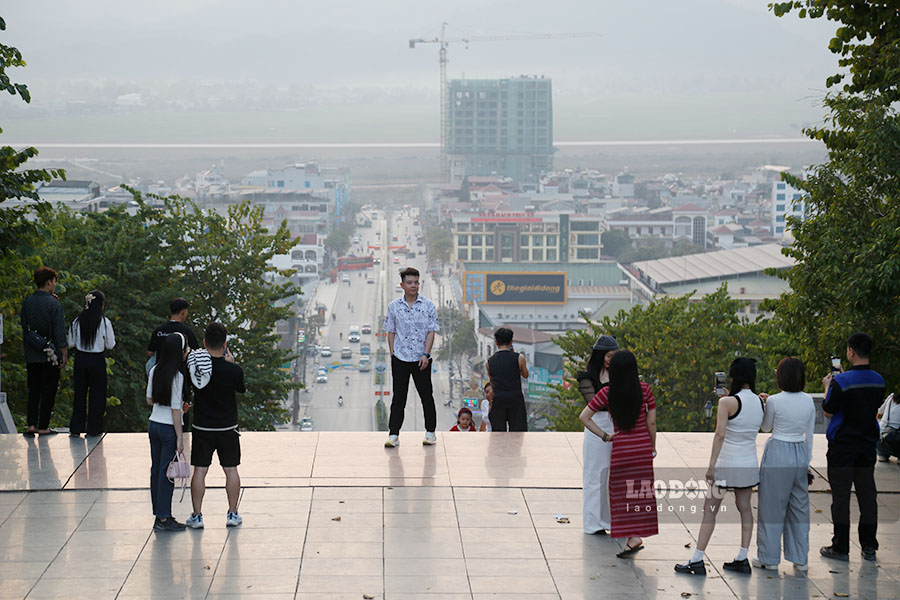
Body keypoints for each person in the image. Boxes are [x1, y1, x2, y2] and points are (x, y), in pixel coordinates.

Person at [674, 357, 762, 576]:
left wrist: (711, 466)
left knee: (709, 510)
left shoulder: (726, 403)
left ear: (734, 377)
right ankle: (742, 557)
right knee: (745, 509)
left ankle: (697, 559)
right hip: (749, 463)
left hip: (726, 463)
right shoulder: (760, 401)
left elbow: (720, 434)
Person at [579, 350, 657, 559]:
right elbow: (651, 422)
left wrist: (604, 436)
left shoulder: (607, 393)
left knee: (620, 494)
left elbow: (584, 417)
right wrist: (652, 447)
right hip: (642, 448)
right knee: (640, 493)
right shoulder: (646, 390)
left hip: (621, 448)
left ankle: (631, 536)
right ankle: (636, 534)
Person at [820, 332, 885, 562]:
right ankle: (869, 545)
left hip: (843, 446)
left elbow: (828, 409)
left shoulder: (842, 381)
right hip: (867, 444)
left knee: (841, 496)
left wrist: (828, 385)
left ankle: (840, 546)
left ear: (851, 352)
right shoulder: (879, 380)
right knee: (867, 495)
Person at [753, 357, 816, 572]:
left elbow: (766, 427)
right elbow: (810, 433)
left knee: (772, 506)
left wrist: (766, 403)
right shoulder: (808, 400)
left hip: (779, 451)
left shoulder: (774, 401)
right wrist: (807, 461)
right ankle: (800, 558)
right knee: (799, 508)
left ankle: (769, 558)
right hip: (800, 452)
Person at [186, 322, 246, 529]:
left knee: (200, 471)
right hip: (227, 427)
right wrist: (234, 363)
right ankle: (232, 513)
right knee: (231, 470)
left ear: (204, 343)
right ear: (225, 344)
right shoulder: (233, 370)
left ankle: (197, 515)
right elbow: (241, 388)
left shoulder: (197, 371)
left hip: (202, 427)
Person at [383, 267, 440, 448]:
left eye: (416, 282)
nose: (413, 285)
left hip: (421, 359)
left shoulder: (428, 306)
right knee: (399, 398)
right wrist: (392, 353)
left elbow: (431, 332)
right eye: (409, 282)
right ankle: (393, 434)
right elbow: (390, 331)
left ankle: (430, 432)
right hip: (400, 358)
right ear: (402, 285)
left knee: (426, 396)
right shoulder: (394, 307)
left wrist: (426, 354)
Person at [577, 335, 618, 536]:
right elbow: (595, 403)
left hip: (616, 423)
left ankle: (610, 520)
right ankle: (593, 523)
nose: (611, 360)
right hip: (596, 425)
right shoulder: (588, 376)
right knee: (595, 476)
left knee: (612, 476)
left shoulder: (619, 374)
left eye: (614, 356)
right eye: (608, 356)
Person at [147, 333, 188, 532]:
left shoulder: (155, 370)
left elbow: (149, 399)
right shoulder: (177, 376)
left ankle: (158, 514)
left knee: (156, 470)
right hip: (168, 428)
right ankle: (164, 518)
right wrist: (180, 437)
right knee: (167, 474)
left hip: (153, 424)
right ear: (179, 353)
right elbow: (174, 411)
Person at [20, 267, 67, 436]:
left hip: (32, 354)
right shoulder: (54, 304)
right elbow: (59, 331)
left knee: (33, 390)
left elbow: (25, 329)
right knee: (49, 390)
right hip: (50, 355)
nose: (55, 285)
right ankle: (43, 426)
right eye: (54, 282)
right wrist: (63, 352)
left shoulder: (27, 303)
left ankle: (31, 424)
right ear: (49, 282)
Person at [67, 290, 116, 437]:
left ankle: (76, 427)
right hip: (97, 360)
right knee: (97, 395)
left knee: (80, 394)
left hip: (80, 359)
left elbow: (70, 343)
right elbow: (110, 345)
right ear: (101, 305)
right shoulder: (104, 322)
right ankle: (94, 429)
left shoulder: (77, 321)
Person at [485, 327, 529, 432]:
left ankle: (500, 449)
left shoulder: (489, 362)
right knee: (518, 432)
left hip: (498, 399)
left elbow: (492, 381)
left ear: (496, 342)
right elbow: (525, 375)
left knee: (499, 433)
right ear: (511, 341)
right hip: (515, 399)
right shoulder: (519, 358)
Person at [146, 298, 199, 374]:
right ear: (183, 312)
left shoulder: (159, 330)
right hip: (179, 374)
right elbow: (195, 352)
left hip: (159, 374)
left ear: (170, 311)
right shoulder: (186, 332)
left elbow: (150, 352)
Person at [876, 393, 899, 462]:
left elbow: (879, 412)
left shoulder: (891, 396)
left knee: (879, 429)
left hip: (883, 436)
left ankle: (882, 455)